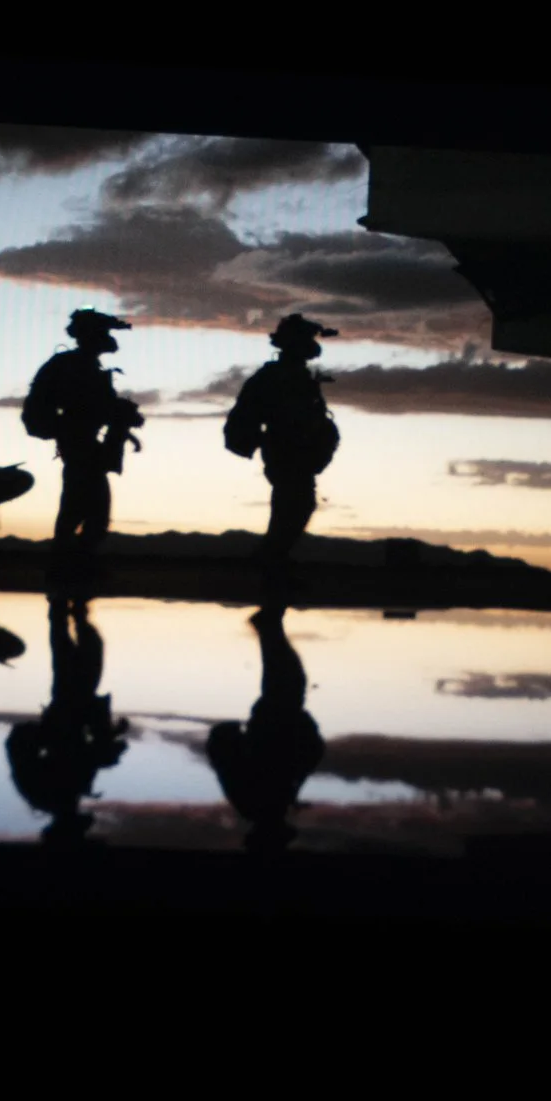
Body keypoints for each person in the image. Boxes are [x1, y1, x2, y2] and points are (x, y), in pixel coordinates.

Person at [22, 308, 143, 572]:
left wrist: (125, 427)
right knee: (84, 510)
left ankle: (70, 570)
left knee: (85, 510)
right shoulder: (75, 366)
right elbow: (88, 405)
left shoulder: (83, 365)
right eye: (102, 333)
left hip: (82, 444)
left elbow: (98, 406)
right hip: (79, 445)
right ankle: (67, 571)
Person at [223, 315, 341, 582]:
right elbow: (249, 413)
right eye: (305, 340)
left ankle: (271, 563)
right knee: (294, 506)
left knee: (296, 507)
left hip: (297, 451)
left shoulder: (296, 376)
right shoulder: (274, 376)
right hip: (286, 451)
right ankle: (268, 567)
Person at [3, 594, 128, 844]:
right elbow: (90, 753)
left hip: (68, 707)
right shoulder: (67, 793)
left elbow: (18, 748)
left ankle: (64, 602)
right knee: (82, 652)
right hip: (77, 708)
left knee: (78, 653)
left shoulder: (44, 794)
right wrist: (109, 738)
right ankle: (69, 606)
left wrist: (49, 731)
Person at [205, 606, 326, 852]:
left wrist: (232, 733)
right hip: (279, 726)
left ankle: (269, 623)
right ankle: (269, 624)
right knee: (288, 679)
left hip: (273, 727)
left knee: (287, 679)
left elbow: (225, 759)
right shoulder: (268, 804)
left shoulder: (255, 804)